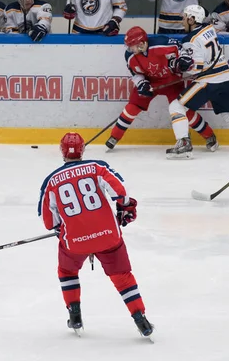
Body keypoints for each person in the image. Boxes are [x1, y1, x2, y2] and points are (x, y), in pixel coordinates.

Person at [38, 132, 153, 338]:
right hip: (109, 236)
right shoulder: (97, 168)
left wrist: (62, 230)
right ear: (83, 150)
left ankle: (75, 315)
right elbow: (120, 193)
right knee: (122, 277)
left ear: (61, 151)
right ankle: (140, 319)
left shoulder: (52, 181)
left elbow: (50, 222)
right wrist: (125, 208)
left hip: (74, 241)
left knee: (67, 271)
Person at [166, 5, 229, 158]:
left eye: (185, 17)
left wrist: (178, 65)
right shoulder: (209, 29)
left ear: (192, 19)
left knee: (176, 106)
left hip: (209, 81)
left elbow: (196, 69)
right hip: (224, 77)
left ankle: (184, 143)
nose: (183, 20)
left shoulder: (190, 40)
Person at [106, 26, 218, 152]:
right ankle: (114, 136)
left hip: (172, 82)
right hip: (150, 82)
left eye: (131, 46)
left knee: (184, 110)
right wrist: (141, 83)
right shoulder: (130, 56)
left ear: (142, 44)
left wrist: (183, 58)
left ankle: (209, 136)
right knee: (132, 106)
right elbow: (135, 73)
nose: (129, 49)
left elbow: (179, 47)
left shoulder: (161, 43)